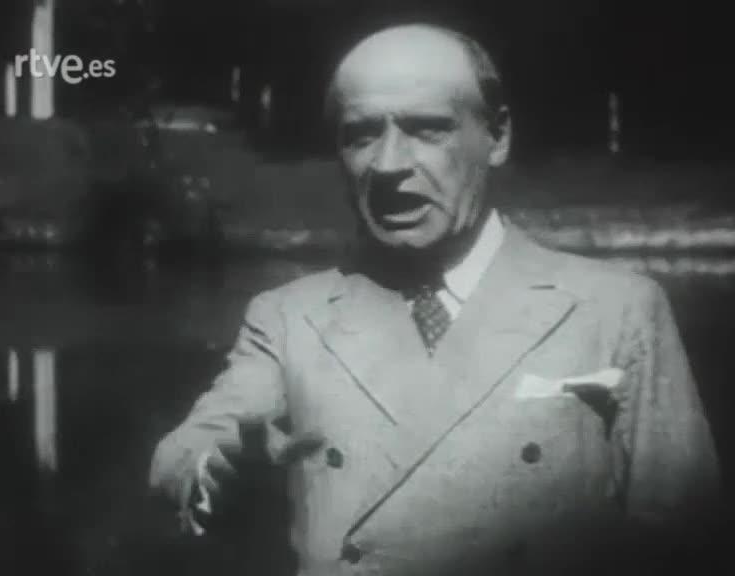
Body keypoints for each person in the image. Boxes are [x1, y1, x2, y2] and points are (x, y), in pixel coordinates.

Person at [150, 23, 721, 576]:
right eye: (361, 134)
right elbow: (185, 454)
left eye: (427, 129)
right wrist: (218, 475)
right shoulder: (289, 317)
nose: (388, 164)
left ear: (497, 136)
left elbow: (683, 541)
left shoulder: (616, 310)